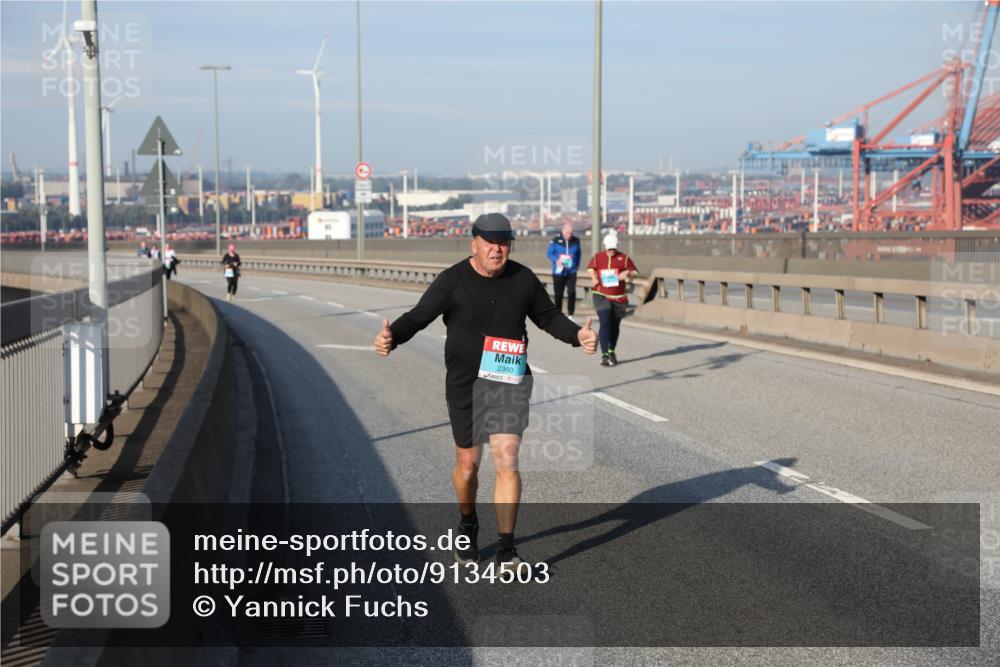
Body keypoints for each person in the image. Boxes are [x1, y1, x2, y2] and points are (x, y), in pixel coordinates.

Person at [374, 213, 598, 570]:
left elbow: (549, 317)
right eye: (490, 243)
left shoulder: (522, 279)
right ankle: (468, 521)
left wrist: (577, 336)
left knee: (507, 458)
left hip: (509, 380)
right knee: (467, 465)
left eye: (504, 243)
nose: (497, 249)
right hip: (465, 384)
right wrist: (391, 338)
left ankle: (507, 550)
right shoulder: (452, 281)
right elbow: (418, 317)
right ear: (473, 244)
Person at [586, 233, 638, 367]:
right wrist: (594, 278)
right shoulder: (598, 257)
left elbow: (635, 272)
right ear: (605, 247)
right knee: (605, 322)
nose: (611, 252)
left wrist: (627, 274)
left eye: (613, 249)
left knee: (615, 325)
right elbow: (591, 268)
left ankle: (611, 351)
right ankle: (604, 355)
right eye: (609, 249)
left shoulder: (624, 258)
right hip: (601, 294)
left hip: (619, 297)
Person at [545, 222, 581, 320]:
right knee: (558, 294)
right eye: (568, 233)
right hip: (558, 272)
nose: (570, 235)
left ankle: (570, 314)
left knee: (572, 292)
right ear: (563, 231)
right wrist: (556, 260)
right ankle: (558, 314)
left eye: (571, 233)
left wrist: (577, 265)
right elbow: (549, 253)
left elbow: (578, 254)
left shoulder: (576, 241)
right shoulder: (555, 240)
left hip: (571, 272)